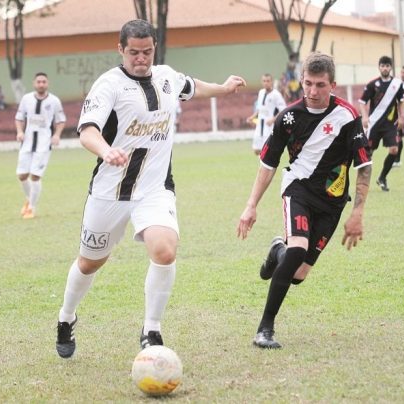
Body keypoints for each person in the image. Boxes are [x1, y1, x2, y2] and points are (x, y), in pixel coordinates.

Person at [55, 19, 246, 359]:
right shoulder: (108, 86)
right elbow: (86, 131)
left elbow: (192, 87)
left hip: (155, 189)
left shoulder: (167, 77)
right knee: (89, 263)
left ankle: (151, 329)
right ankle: (66, 318)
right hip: (110, 192)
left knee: (164, 251)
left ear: (154, 49)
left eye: (146, 52)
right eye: (133, 53)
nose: (140, 59)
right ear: (120, 50)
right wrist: (105, 150)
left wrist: (223, 87)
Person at [237, 52, 372, 349]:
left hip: (333, 202)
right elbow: (269, 164)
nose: (312, 92)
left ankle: (277, 251)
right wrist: (251, 205)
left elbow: (364, 167)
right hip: (297, 189)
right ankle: (265, 328)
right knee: (297, 249)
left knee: (298, 274)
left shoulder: (348, 118)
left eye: (320, 85)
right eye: (308, 84)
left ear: (333, 85)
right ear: (301, 82)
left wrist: (357, 212)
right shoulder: (289, 117)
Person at [15, 72, 66, 219]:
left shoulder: (54, 101)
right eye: (39, 82)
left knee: (35, 176)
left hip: (44, 143)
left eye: (44, 82)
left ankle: (31, 207)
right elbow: (19, 117)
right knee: (22, 175)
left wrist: (56, 135)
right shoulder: (26, 99)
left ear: (47, 83)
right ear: (34, 83)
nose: (41, 84)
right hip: (27, 142)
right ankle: (30, 199)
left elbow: (61, 120)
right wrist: (19, 132)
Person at [358, 56, 404, 192]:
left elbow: (401, 101)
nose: (385, 68)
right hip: (375, 124)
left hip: (391, 124)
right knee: (368, 154)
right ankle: (362, 183)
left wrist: (401, 117)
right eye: (382, 66)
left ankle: (382, 178)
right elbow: (362, 102)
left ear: (391, 67)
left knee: (394, 150)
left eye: (387, 66)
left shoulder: (397, 84)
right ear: (379, 67)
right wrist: (365, 117)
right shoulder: (373, 84)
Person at [246, 73, 287, 155]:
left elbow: (283, 109)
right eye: (264, 81)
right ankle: (264, 164)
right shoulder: (261, 92)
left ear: (271, 82)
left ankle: (267, 165)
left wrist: (273, 119)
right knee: (256, 150)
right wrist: (251, 117)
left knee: (268, 149)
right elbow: (259, 109)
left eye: (268, 81)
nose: (266, 83)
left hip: (269, 126)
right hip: (259, 125)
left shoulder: (276, 94)